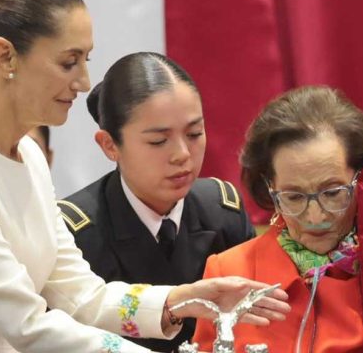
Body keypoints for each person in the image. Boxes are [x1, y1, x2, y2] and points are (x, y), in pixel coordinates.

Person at [0, 0, 290, 352]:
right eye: (69, 62)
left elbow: (81, 294)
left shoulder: (29, 155)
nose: (85, 81)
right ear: (5, 56)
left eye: (86, 60)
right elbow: (27, 324)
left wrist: (185, 299)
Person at [193, 86, 363, 352]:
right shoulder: (230, 272)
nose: (315, 216)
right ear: (269, 186)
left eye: (333, 193)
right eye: (294, 197)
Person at [57, 52, 255, 352]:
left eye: (194, 133)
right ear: (109, 145)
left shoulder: (222, 209)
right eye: (158, 141)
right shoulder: (72, 230)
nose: (182, 154)